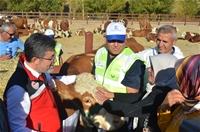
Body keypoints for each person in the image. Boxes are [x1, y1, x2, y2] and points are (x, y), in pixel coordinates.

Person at [3, 33, 77, 132]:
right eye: (51, 58)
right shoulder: (19, 89)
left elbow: (55, 82)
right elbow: (17, 128)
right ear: (35, 60)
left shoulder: (41, 72)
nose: (55, 60)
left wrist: (79, 78)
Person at [94, 53, 179, 132]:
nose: (149, 69)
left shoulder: (163, 93)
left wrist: (105, 102)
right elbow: (141, 97)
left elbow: (133, 110)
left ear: (164, 72)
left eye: (154, 68)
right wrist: (112, 95)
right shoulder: (158, 88)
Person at [92, 22, 146, 131]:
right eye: (112, 40)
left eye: (120, 40)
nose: (116, 44)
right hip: (99, 109)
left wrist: (109, 96)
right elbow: (94, 77)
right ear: (105, 39)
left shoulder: (132, 61)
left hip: (118, 113)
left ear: (126, 39)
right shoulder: (100, 53)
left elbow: (132, 93)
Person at [158, 54, 200, 132]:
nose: (177, 84)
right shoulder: (188, 104)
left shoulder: (196, 114)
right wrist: (165, 108)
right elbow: (166, 128)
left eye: (182, 79)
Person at [136, 25, 184, 91]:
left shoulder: (180, 62)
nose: (160, 44)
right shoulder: (147, 54)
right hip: (146, 95)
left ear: (174, 41)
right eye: (158, 40)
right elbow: (130, 60)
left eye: (165, 41)